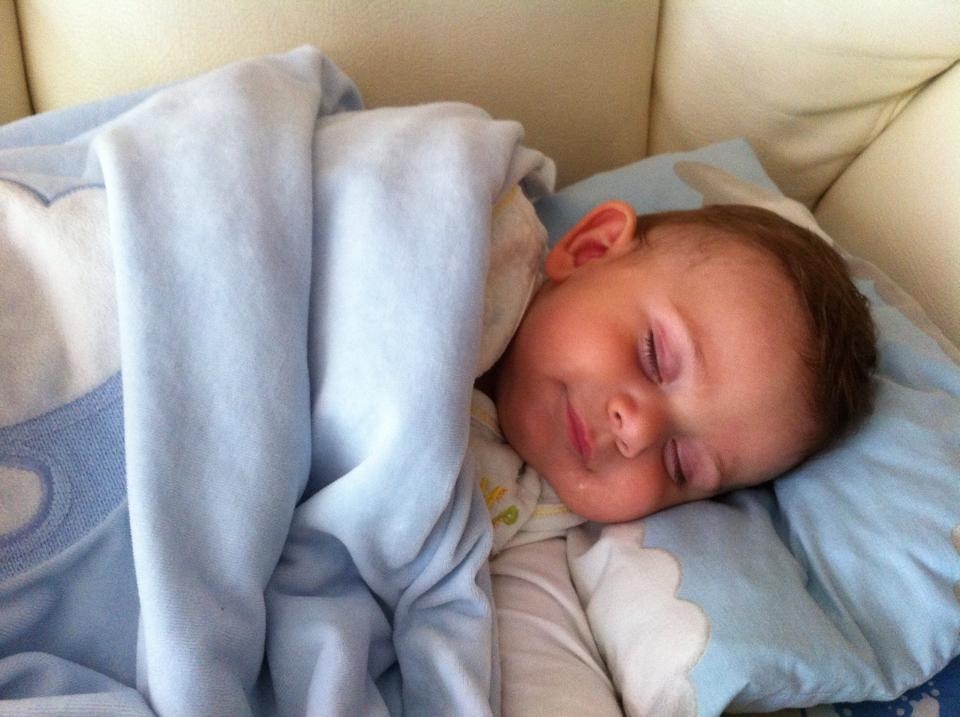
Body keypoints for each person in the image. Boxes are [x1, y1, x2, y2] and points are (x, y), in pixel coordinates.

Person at [474, 199, 877, 554]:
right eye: (654, 357)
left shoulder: (518, 519)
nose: (637, 432)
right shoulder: (477, 238)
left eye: (680, 465)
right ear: (590, 250)